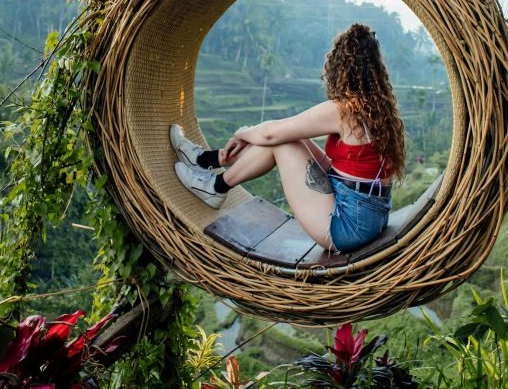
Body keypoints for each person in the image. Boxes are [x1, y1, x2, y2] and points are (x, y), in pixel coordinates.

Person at [171, 23, 406, 253]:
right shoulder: (376, 109)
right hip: (368, 214)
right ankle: (208, 160)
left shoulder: (344, 110)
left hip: (347, 226)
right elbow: (282, 131)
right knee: (293, 138)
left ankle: (216, 185)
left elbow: (271, 134)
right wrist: (256, 134)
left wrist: (242, 133)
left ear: (341, 67)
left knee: (280, 141)